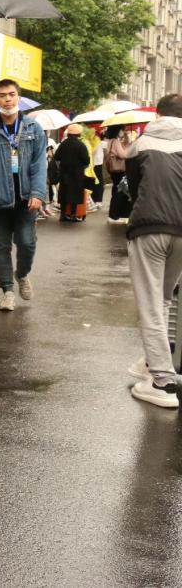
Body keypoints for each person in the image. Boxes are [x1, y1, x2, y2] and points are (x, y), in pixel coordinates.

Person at [123, 93, 182, 408]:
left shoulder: (140, 145)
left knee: (150, 303)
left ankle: (162, 383)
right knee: (163, 298)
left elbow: (135, 192)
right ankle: (154, 362)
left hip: (148, 227)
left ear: (158, 115)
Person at [0, 79, 47, 311]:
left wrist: (38, 193)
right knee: (1, 249)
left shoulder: (34, 129)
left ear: (18, 98)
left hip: (26, 201)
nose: (7, 99)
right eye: (3, 95)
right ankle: (7, 292)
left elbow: (39, 164)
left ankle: (22, 273)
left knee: (27, 243)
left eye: (11, 94)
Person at [53, 124, 91, 222]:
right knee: (75, 193)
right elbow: (86, 160)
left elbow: (56, 157)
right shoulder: (81, 145)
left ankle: (63, 215)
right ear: (79, 133)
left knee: (64, 192)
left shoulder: (63, 144)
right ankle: (73, 215)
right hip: (77, 173)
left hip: (64, 172)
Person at [104, 125, 131, 224]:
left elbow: (123, 148)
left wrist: (127, 139)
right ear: (117, 130)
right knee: (119, 193)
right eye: (122, 130)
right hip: (119, 170)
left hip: (114, 171)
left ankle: (116, 215)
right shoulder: (115, 142)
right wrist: (129, 150)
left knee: (117, 191)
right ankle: (114, 216)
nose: (122, 132)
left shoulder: (111, 141)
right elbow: (123, 155)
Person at [91, 129, 106, 206]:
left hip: (92, 164)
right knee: (98, 182)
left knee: (93, 182)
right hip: (97, 164)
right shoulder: (98, 141)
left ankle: (94, 199)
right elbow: (107, 145)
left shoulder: (88, 141)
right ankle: (98, 200)